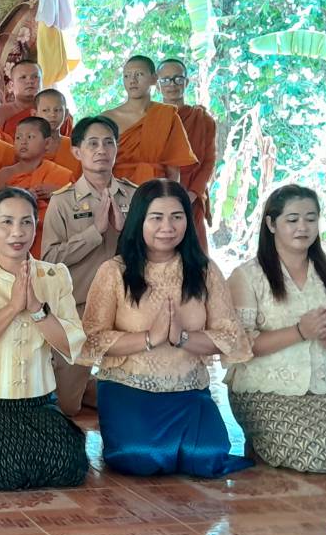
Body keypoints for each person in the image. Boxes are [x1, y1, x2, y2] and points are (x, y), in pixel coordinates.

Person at [81, 180, 252, 477]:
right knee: (140, 456)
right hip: (128, 388)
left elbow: (228, 335)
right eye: (156, 218)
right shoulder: (115, 271)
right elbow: (93, 339)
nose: (167, 227)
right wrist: (149, 338)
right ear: (140, 220)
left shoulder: (205, 271)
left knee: (208, 456)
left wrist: (182, 338)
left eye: (177, 217)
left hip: (188, 391)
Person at [226, 186, 326, 473]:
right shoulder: (247, 276)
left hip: (321, 389)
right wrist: (300, 331)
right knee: (309, 455)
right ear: (271, 224)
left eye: (311, 219)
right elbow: (238, 345)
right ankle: (260, 443)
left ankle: (269, 447)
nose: (303, 227)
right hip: (263, 389)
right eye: (292, 219)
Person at [0, 187, 86, 490]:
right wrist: (13, 307)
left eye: (27, 222)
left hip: (38, 401)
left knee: (70, 466)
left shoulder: (54, 275)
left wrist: (37, 309)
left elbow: (71, 344)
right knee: (8, 471)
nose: (17, 232)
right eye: (6, 223)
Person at [41, 116, 137, 416]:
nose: (102, 150)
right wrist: (94, 232)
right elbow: (50, 260)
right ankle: (91, 384)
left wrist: (125, 232)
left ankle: (106, 387)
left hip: (129, 305)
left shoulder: (135, 196)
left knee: (138, 395)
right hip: (80, 307)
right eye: (92, 143)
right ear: (77, 151)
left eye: (109, 143)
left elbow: (154, 252)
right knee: (67, 406)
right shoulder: (63, 201)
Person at [101, 55, 196, 185]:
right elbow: (96, 164)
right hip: (115, 191)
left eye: (139, 74)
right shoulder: (107, 118)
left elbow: (173, 169)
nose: (132, 81)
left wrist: (169, 200)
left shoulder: (166, 115)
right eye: (127, 76)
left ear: (154, 79)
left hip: (155, 191)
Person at [0, 116, 74, 254]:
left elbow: (76, 212)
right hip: (13, 243)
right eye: (18, 137)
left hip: (53, 247)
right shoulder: (4, 174)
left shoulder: (62, 175)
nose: (23, 142)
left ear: (47, 143)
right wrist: (21, 199)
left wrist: (58, 193)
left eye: (30, 137)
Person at [157, 58, 216, 250]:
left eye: (177, 79)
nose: (172, 85)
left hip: (192, 195)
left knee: (194, 257)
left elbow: (208, 161)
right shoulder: (150, 120)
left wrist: (191, 194)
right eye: (165, 80)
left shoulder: (202, 119)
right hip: (158, 196)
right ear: (157, 86)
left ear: (187, 82)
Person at [34, 89, 81, 178]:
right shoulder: (27, 146)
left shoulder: (75, 147)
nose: (52, 114)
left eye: (58, 110)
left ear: (66, 114)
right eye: (45, 110)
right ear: (34, 114)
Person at [0, 61, 46, 139]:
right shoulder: (2, 112)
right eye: (23, 77)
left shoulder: (54, 110)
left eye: (35, 77)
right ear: (11, 85)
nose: (30, 81)